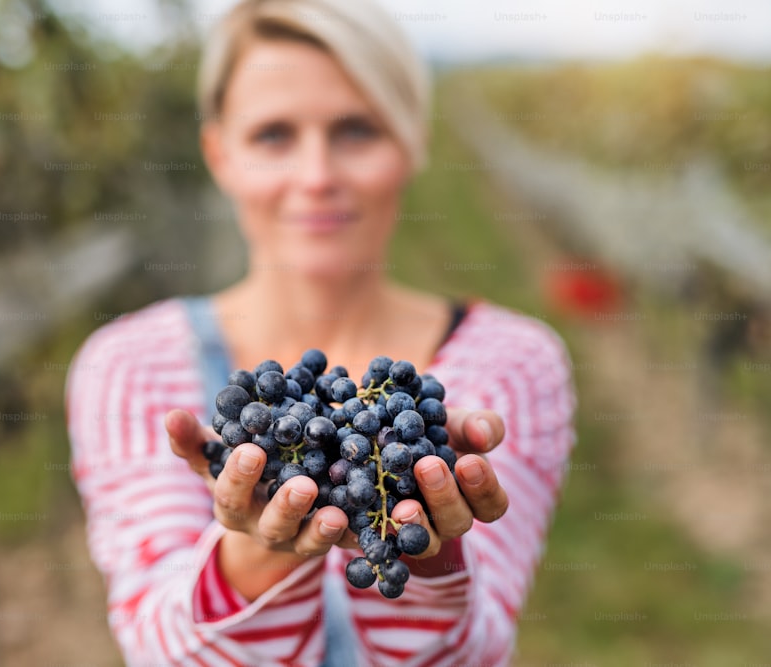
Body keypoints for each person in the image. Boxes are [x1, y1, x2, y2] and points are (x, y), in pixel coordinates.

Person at [65, 0, 576, 664]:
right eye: (274, 134)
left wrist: (426, 566)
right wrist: (249, 558)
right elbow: (156, 649)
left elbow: (478, 650)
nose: (317, 176)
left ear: (412, 140)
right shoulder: (128, 367)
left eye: (356, 130)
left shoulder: (513, 365)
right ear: (220, 154)